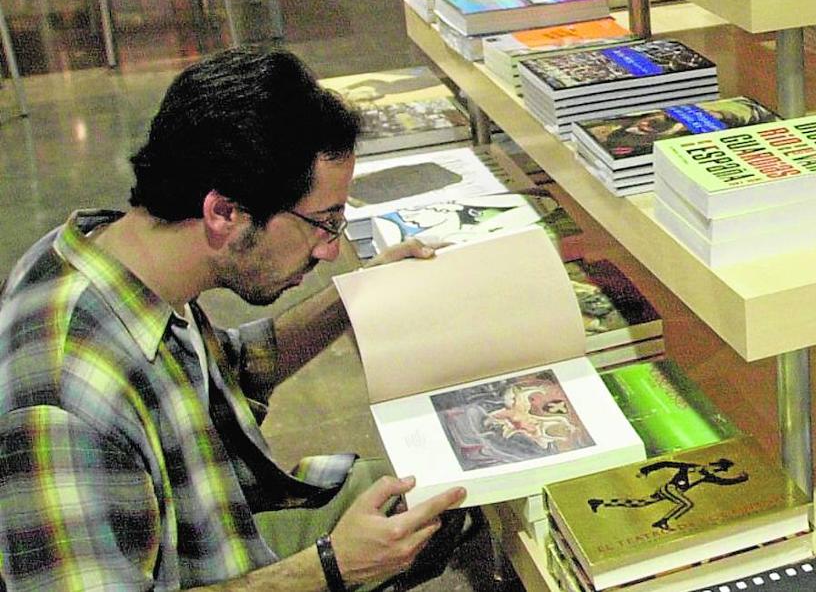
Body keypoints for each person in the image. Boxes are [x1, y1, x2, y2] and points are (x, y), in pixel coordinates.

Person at [0, 48, 470, 591]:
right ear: (223, 213)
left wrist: (354, 299)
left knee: (435, 497)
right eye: (323, 223)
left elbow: (227, 370)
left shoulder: (120, 256)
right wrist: (330, 568)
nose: (330, 252)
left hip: (219, 528)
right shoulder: (64, 406)